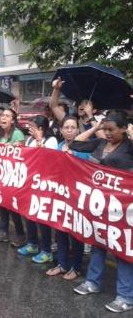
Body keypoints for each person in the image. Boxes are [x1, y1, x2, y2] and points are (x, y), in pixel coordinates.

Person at [70, 111, 133, 313]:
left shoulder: (129, 147)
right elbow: (75, 144)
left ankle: (126, 296)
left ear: (124, 129)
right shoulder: (99, 143)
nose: (107, 133)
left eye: (111, 130)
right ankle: (92, 282)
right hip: (100, 205)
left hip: (123, 208)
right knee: (98, 242)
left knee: (123, 248)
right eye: (105, 129)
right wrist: (95, 127)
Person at [46, 116, 89, 280]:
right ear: (61, 130)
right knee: (61, 231)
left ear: (78, 130)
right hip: (60, 194)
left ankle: (76, 267)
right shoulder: (58, 147)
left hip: (77, 197)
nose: (70, 130)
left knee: (76, 234)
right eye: (67, 127)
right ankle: (62, 264)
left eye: (73, 127)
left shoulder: (84, 148)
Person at [17, 115, 58, 263]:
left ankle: (46, 250)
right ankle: (32, 243)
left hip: (45, 185)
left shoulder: (51, 141)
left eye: (32, 126)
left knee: (42, 218)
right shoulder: (29, 140)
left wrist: (40, 140)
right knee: (29, 214)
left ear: (41, 128)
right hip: (30, 182)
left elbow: (47, 158)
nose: (29, 129)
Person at [0, 108, 26, 247]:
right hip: (2, 175)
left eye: (7, 116)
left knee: (12, 207)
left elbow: (22, 155)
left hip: (13, 176)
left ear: (12, 120)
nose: (3, 118)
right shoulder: (0, 134)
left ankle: (20, 235)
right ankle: (3, 232)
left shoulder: (17, 134)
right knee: (2, 204)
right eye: (2, 115)